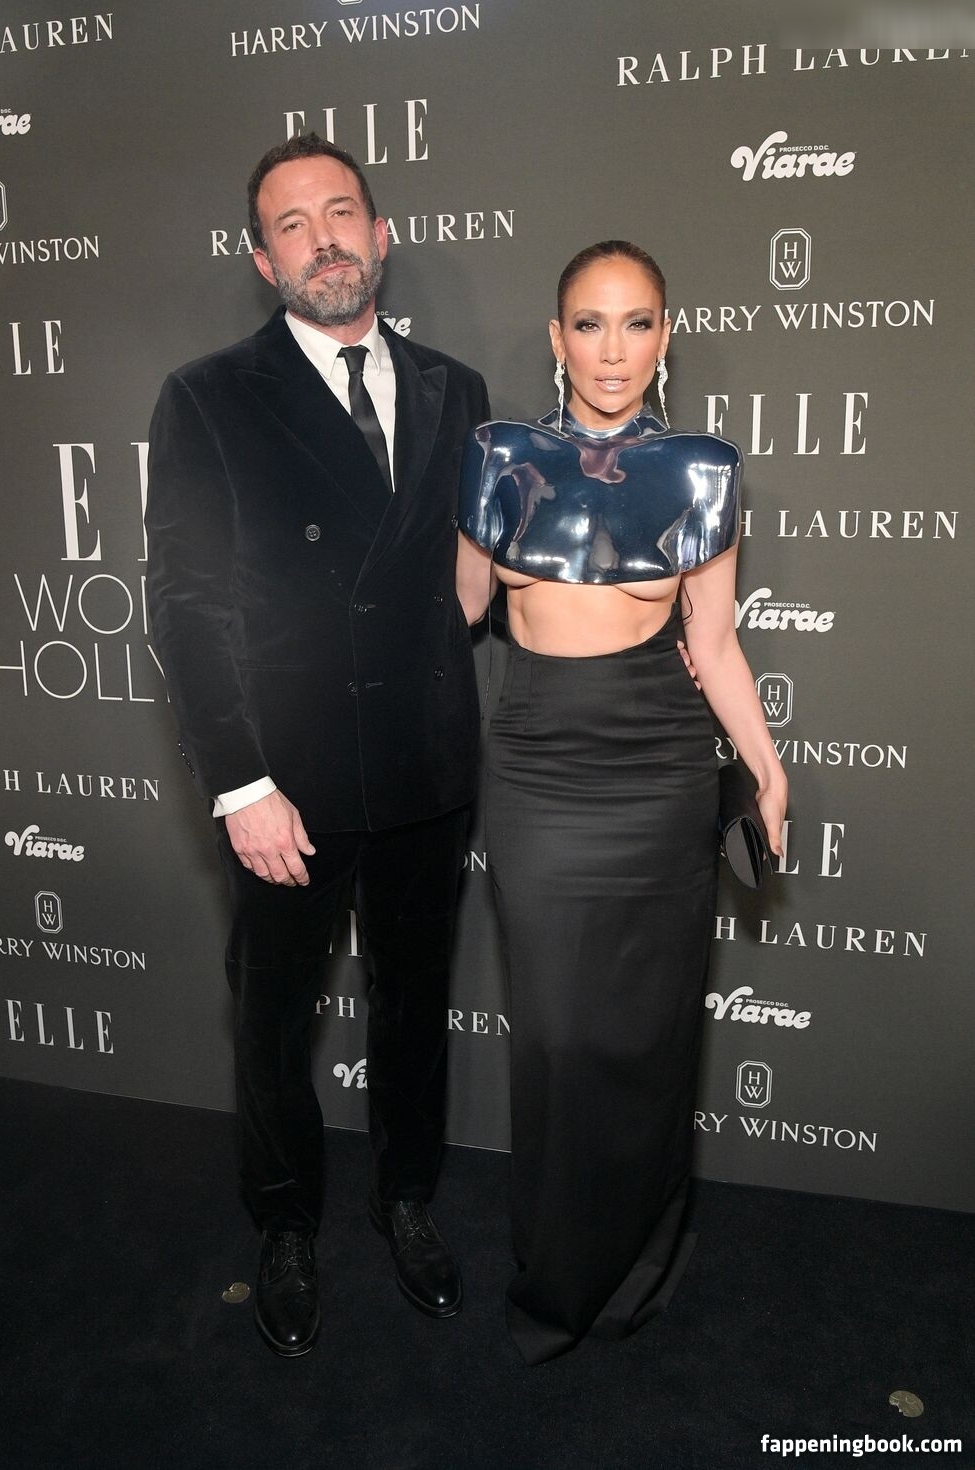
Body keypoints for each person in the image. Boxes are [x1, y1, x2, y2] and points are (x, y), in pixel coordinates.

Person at [146, 133, 489, 1357]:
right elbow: (186, 606)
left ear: (380, 234)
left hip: (424, 764)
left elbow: (465, 577)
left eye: (340, 212)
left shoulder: (455, 389)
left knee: (413, 1005)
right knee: (274, 1018)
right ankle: (285, 1222)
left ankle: (406, 1201)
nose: (322, 239)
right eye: (291, 224)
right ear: (261, 260)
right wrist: (240, 783)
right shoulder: (207, 396)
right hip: (283, 779)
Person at [456, 240, 788, 1365]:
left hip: (657, 765)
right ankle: (557, 1274)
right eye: (589, 325)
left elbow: (715, 643)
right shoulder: (498, 457)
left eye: (636, 323)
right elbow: (453, 612)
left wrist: (766, 764)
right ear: (557, 340)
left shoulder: (702, 470)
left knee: (646, 1033)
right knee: (555, 1034)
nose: (612, 350)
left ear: (664, 337)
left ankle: (640, 1265)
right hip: (538, 764)